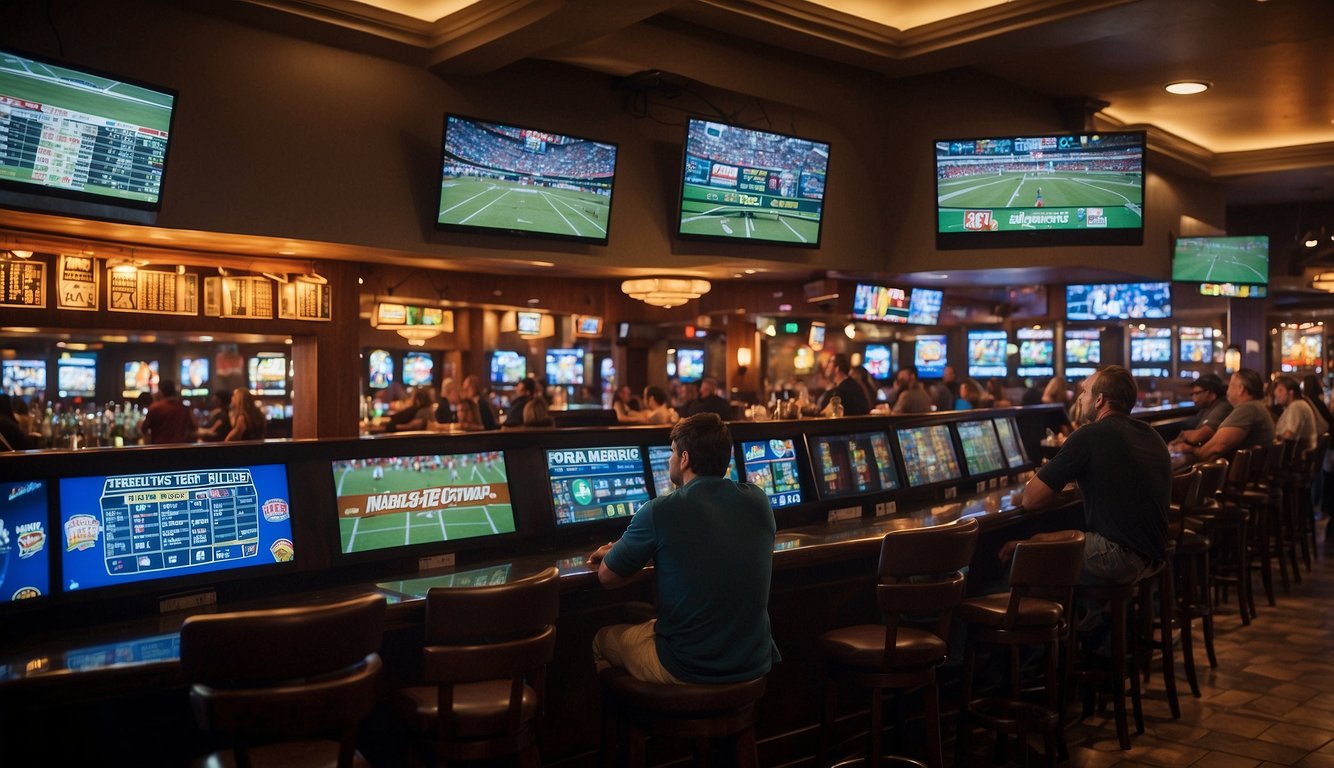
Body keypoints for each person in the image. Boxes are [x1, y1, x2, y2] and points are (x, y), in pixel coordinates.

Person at [586, 413, 779, 683]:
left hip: (688, 666)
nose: (669, 460)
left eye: (673, 452)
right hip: (752, 663)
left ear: (685, 458)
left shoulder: (661, 510)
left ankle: (640, 723)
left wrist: (619, 551)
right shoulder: (758, 500)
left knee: (601, 640)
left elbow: (607, 577)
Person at [1020, 365, 1170, 585]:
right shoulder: (1150, 433)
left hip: (1120, 555)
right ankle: (1091, 615)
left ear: (1099, 400)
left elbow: (1030, 500)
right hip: (1153, 554)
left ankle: (1042, 615)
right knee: (1045, 540)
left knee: (1027, 550)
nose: (1080, 398)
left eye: (1085, 391)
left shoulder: (1090, 435)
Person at [1185, 369, 1276, 463]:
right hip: (1253, 473)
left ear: (1241, 389)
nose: (1227, 391)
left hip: (1239, 476)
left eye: (1230, 385)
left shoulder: (1247, 409)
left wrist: (1191, 450)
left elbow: (1216, 447)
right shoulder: (1257, 407)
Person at [1168, 373, 1231, 450]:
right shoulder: (1205, 409)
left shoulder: (1223, 407)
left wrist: (1183, 436)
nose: (1193, 397)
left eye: (1196, 393)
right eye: (1192, 394)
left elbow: (1199, 436)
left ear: (1211, 394)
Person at [1273, 375, 1323, 453]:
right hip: (1301, 457)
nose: (1276, 393)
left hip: (1296, 459)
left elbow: (1289, 435)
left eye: (1280, 390)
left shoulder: (1296, 406)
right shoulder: (1299, 404)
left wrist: (1273, 439)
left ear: (1291, 392)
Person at [140, 379, 197, 444]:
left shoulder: (155, 408)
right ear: (174, 391)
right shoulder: (185, 408)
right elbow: (195, 427)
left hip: (160, 449)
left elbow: (144, 429)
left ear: (161, 392)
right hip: (181, 450)